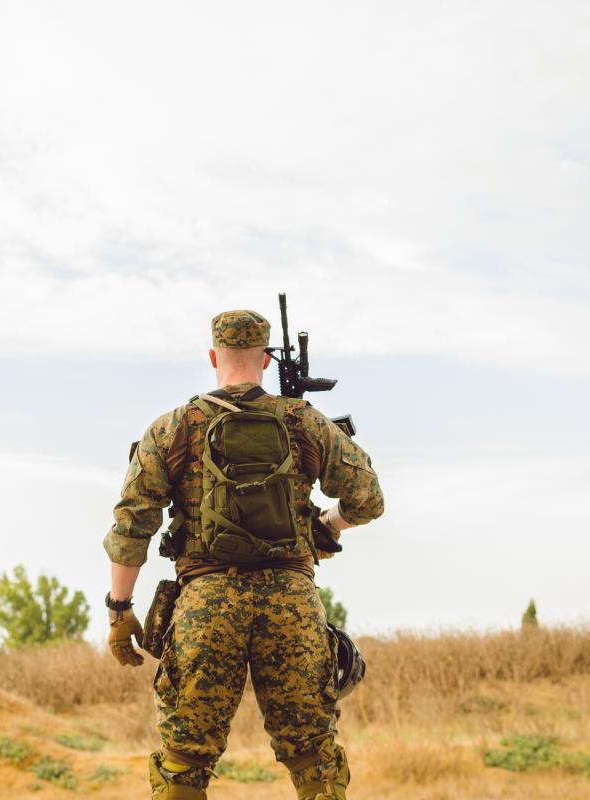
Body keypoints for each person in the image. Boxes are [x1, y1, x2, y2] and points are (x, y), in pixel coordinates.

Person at [103, 309, 384, 800]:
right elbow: (368, 499)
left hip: (206, 606)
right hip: (291, 603)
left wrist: (120, 610)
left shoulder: (173, 427)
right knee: (314, 757)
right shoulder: (304, 422)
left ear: (214, 357)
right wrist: (325, 526)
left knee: (184, 760)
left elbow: (132, 526)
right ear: (266, 359)